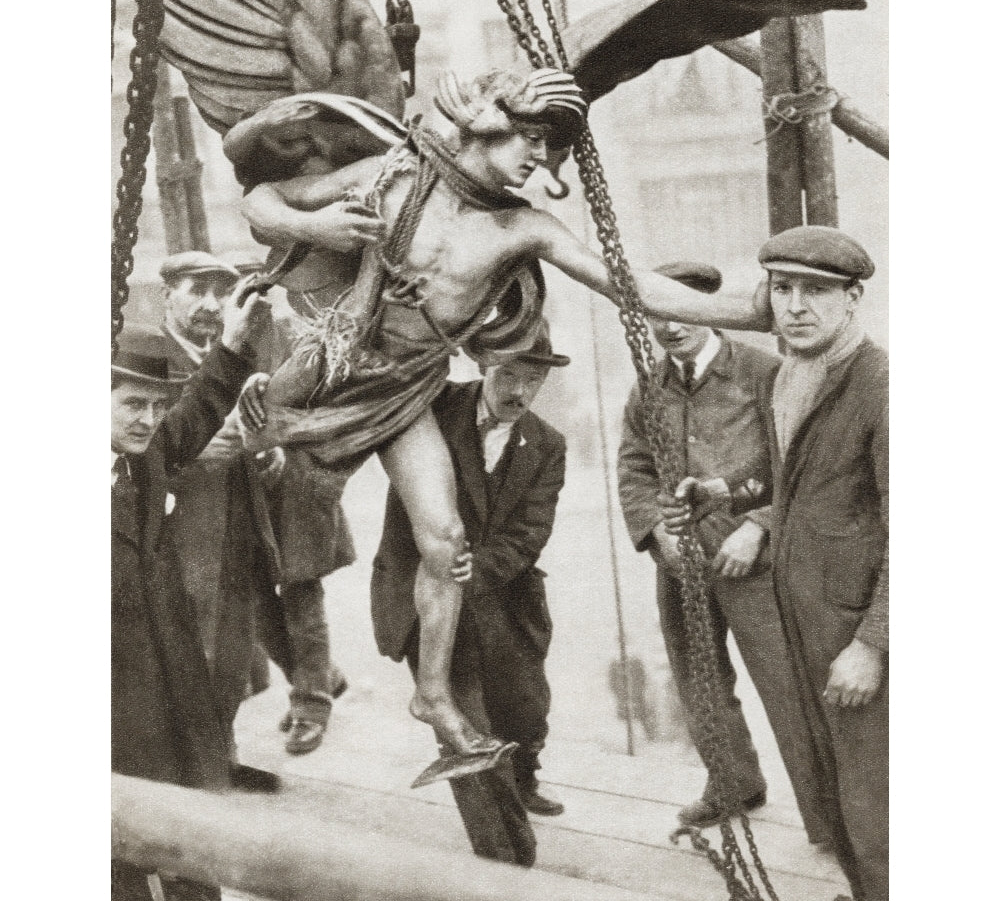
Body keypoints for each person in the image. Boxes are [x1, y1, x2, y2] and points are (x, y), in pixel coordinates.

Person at [237, 65, 772, 768]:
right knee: (230, 502)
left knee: (447, 540)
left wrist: (751, 310)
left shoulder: (525, 228)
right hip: (326, 370)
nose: (539, 160)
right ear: (487, 126)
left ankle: (432, 695)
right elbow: (262, 200)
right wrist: (316, 225)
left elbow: (631, 285)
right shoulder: (393, 176)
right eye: (529, 140)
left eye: (548, 148)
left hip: (405, 391)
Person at [661, 226, 888, 901]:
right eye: (783, 289)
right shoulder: (797, 371)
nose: (795, 306)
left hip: (854, 634)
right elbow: (793, 479)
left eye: (816, 291)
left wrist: (872, 646)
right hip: (807, 627)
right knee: (837, 789)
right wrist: (724, 492)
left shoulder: (881, 387)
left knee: (879, 804)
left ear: (853, 298)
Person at [616, 270, 830, 842]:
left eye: (679, 312)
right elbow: (634, 468)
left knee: (787, 686)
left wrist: (757, 526)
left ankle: (828, 819)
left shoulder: (764, 373)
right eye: (655, 315)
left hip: (756, 564)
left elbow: (799, 466)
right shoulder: (647, 386)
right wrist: (655, 532)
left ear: (709, 310)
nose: (667, 326)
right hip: (680, 563)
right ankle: (731, 784)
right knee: (699, 680)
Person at [370, 319, 569, 865]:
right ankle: (508, 861)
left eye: (533, 380)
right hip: (424, 598)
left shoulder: (547, 445)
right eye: (508, 374)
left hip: (504, 595)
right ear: (484, 364)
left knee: (526, 712)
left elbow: (531, 530)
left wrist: (474, 570)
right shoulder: (428, 409)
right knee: (465, 729)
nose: (519, 391)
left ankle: (523, 780)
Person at [111, 287, 271, 901]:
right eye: (131, 404)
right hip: (114, 717)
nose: (147, 420)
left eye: (155, 405)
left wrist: (231, 343)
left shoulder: (142, 457)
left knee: (193, 850)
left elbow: (195, 413)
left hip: (174, 694)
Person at [229, 251, 355, 755]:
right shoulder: (226, 344)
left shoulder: (298, 337)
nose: (250, 297)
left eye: (257, 286)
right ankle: (322, 675)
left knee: (302, 599)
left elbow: (330, 410)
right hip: (247, 490)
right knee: (261, 609)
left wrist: (291, 446)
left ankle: (312, 706)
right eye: (240, 290)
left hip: (298, 488)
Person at [157, 252, 285, 748]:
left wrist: (269, 457)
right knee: (184, 652)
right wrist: (192, 454)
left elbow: (255, 436)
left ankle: (219, 753)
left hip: (237, 529)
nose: (211, 305)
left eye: (220, 294)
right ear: (168, 293)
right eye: (197, 290)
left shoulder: (236, 361)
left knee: (231, 652)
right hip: (176, 537)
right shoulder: (144, 356)